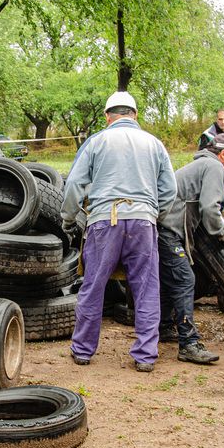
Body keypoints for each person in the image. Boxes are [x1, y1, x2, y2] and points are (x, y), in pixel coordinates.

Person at [62, 90, 177, 373]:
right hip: (143, 222)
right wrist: (154, 214)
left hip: (104, 220)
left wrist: (68, 219)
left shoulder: (96, 141)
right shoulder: (154, 144)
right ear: (135, 115)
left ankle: (83, 351)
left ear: (107, 116)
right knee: (147, 288)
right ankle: (145, 355)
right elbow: (170, 189)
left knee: (93, 285)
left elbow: (75, 184)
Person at [158, 133, 224, 364]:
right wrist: (223, 231)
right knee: (185, 279)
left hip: (160, 229)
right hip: (167, 231)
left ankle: (165, 327)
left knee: (171, 278)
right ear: (223, 154)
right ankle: (188, 344)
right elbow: (210, 208)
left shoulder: (201, 164)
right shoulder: (214, 166)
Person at [197, 109, 224, 210]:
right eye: (220, 119)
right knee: (213, 198)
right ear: (216, 120)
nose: (223, 122)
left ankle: (219, 217)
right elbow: (201, 154)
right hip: (212, 171)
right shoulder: (208, 135)